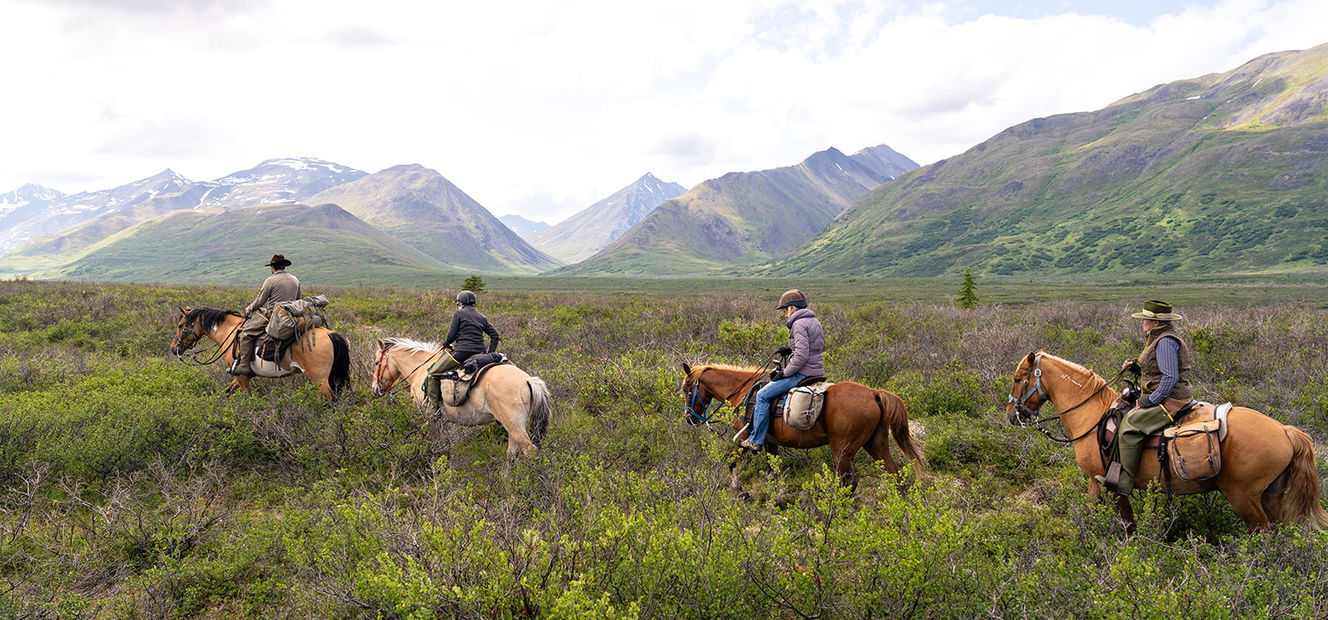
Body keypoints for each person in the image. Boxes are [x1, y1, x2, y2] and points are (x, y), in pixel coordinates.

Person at [1099, 300, 1194, 493]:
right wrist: (1135, 367)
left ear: (1156, 323)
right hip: (1164, 395)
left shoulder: (1165, 341)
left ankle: (1125, 481)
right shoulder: (1157, 338)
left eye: (1145, 320)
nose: (1142, 323)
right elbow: (1157, 369)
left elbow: (1170, 377)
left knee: (1129, 425)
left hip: (1171, 400)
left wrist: (1150, 400)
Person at [739, 289, 825, 451]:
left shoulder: (799, 324)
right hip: (816, 371)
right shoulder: (814, 321)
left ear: (792, 308)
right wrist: (790, 350)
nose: (785, 313)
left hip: (803, 373)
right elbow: (812, 348)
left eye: (785, 309)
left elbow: (801, 357)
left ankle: (756, 440)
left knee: (763, 395)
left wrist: (784, 373)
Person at [424, 290, 501, 407]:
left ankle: (433, 409)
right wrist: (490, 354)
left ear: (461, 303)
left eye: (458, 303)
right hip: (480, 353)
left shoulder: (458, 314)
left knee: (432, 374)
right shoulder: (482, 317)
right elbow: (495, 335)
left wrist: (445, 344)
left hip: (462, 353)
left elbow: (451, 335)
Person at [230, 254, 301, 376]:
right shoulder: (295, 280)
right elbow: (298, 299)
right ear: (284, 266)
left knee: (245, 334)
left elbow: (259, 301)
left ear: (273, 267)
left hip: (275, 316)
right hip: (292, 315)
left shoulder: (270, 280)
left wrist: (250, 308)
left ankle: (244, 366)